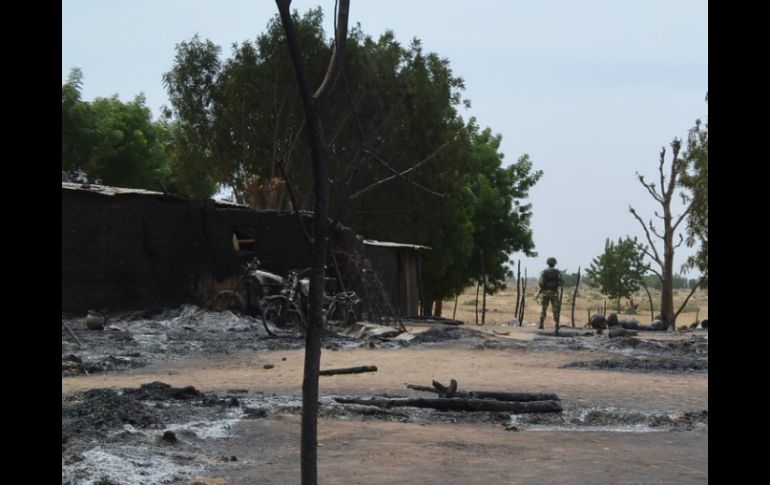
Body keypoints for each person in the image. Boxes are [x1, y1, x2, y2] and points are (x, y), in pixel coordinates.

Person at [538, 257, 562, 329]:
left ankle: (541, 324)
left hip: (545, 293)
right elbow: (560, 282)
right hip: (554, 293)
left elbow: (541, 282)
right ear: (555, 264)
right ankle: (557, 324)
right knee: (555, 309)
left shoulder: (544, 272)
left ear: (547, 263)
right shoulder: (558, 272)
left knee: (544, 308)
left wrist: (543, 288)